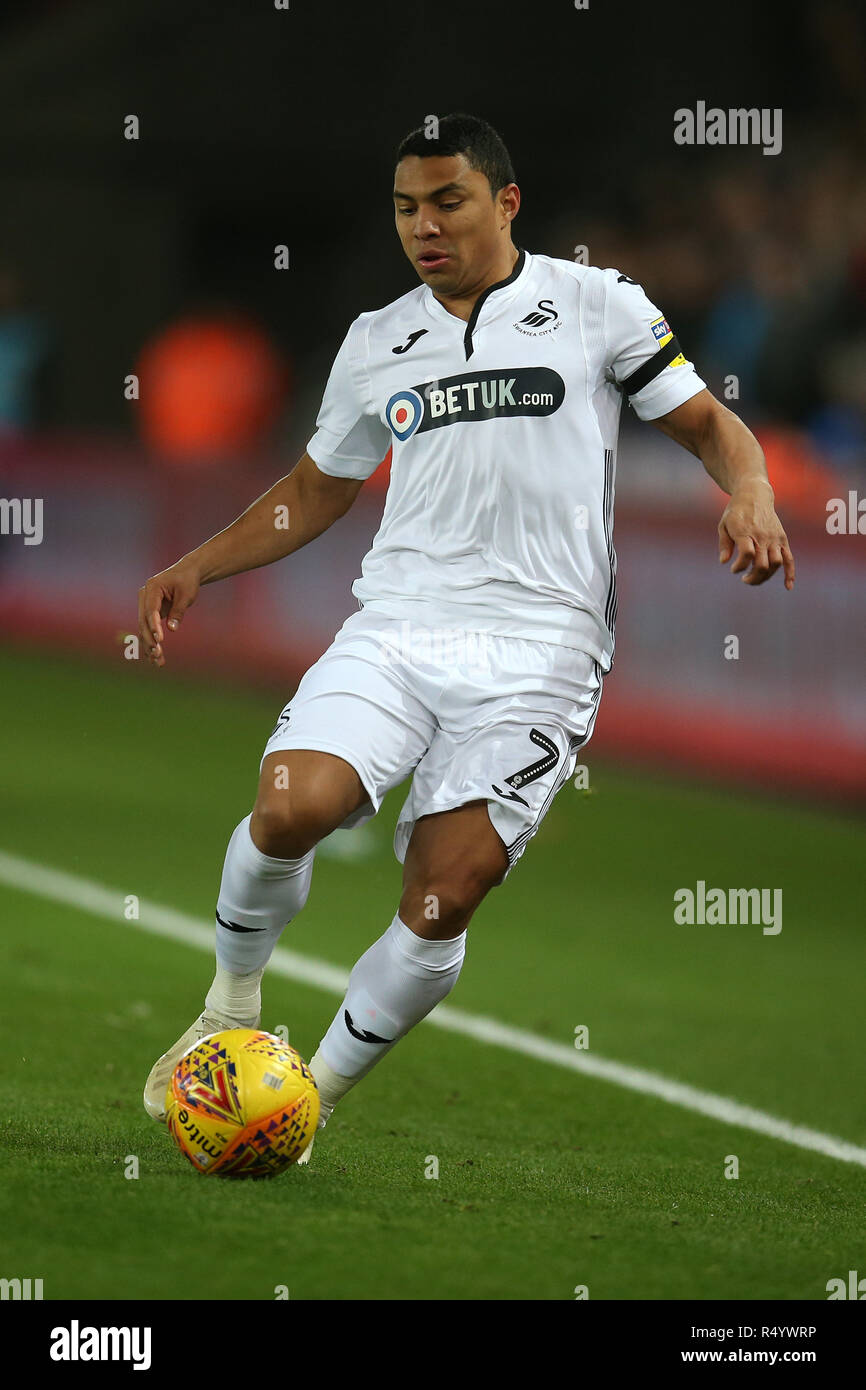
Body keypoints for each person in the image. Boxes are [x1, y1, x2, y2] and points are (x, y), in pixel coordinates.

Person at [138, 113, 795, 1162]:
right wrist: (197, 565)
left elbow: (706, 423)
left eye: (446, 200)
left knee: (445, 894)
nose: (423, 225)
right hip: (399, 624)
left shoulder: (597, 305)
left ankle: (307, 1102)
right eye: (405, 206)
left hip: (541, 651)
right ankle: (228, 1004)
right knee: (288, 807)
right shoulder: (375, 340)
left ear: (505, 203)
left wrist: (751, 490)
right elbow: (316, 487)